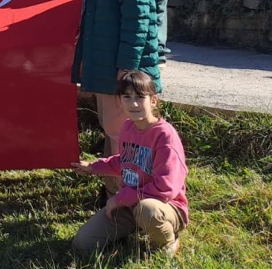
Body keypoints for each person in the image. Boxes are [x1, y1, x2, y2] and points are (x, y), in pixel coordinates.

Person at [71, 0, 161, 192]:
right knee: (113, 131)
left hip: (118, 69)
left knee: (123, 135)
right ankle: (114, 194)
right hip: (106, 65)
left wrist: (127, 67)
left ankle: (129, 197)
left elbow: (138, 17)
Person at [71, 71, 188, 257]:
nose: (133, 103)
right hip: (130, 205)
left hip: (163, 205)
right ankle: (131, 228)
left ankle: (168, 239)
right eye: (127, 97)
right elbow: (124, 161)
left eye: (140, 97)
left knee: (147, 210)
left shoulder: (165, 135)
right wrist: (94, 167)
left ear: (153, 101)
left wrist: (119, 199)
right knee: (83, 242)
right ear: (120, 101)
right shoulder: (128, 127)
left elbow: (166, 187)